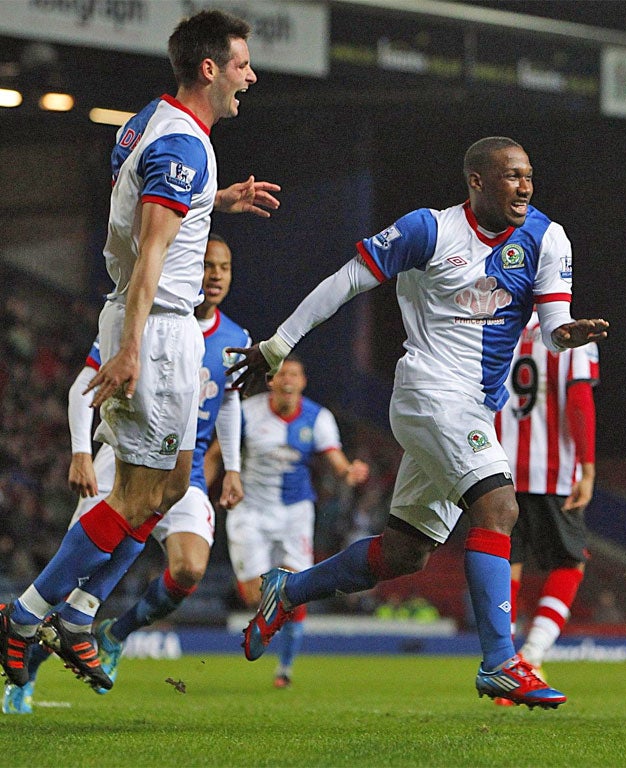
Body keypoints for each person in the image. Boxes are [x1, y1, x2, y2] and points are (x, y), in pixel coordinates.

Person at [226, 136, 608, 709]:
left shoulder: (547, 238)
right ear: (476, 181)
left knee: (407, 553)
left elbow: (553, 323)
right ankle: (501, 661)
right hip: (429, 391)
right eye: (510, 176)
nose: (524, 186)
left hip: (476, 405)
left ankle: (289, 590)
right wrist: (279, 344)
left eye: (528, 175)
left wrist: (566, 333)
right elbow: (346, 281)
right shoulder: (427, 230)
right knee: (499, 507)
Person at [0, 9, 272, 692]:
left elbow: (150, 212)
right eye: (241, 64)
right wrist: (128, 348)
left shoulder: (151, 121)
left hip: (162, 324)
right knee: (137, 492)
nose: (251, 76)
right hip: (156, 330)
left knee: (174, 485)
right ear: (209, 68)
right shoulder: (184, 146)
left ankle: (79, 612)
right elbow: (151, 253)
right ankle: (31, 614)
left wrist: (214, 200)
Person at [1, 234, 250, 714]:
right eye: (206, 265)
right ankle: (30, 661)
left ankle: (102, 625)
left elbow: (232, 399)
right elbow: (83, 385)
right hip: (124, 455)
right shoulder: (144, 320)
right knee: (80, 563)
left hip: (185, 466)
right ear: (185, 268)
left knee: (190, 567)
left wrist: (233, 466)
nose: (215, 276)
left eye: (224, 267)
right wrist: (80, 451)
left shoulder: (234, 339)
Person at [226, 356, 369, 689]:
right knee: (252, 596)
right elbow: (220, 451)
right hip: (251, 510)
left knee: (298, 589)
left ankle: (285, 668)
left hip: (295, 512)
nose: (287, 379)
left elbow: (337, 463)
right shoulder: (247, 412)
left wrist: (350, 472)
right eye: (281, 374)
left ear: (302, 382)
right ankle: (271, 617)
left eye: (294, 374)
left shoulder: (318, 418)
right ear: (270, 381)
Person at [492, 308, 599, 705]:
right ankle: (532, 656)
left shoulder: (493, 324)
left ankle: (503, 665)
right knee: (570, 563)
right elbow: (578, 397)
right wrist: (587, 468)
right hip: (552, 470)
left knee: (506, 564)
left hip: (496, 466)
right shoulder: (570, 332)